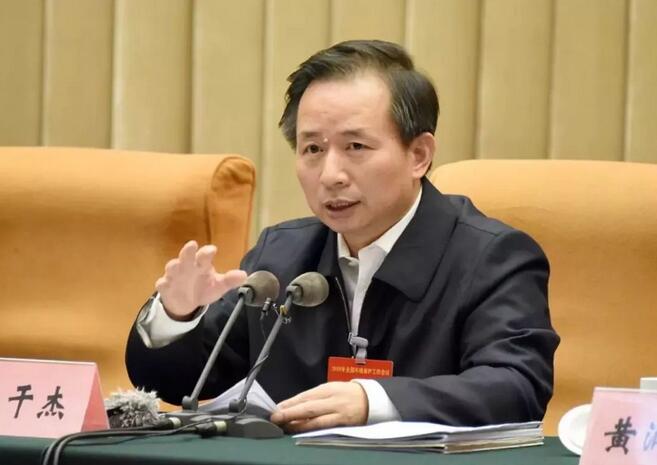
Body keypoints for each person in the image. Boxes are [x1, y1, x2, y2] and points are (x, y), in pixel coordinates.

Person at [126, 40, 559, 433]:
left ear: (419, 155)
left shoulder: (492, 257)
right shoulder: (281, 256)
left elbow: (517, 385)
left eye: (356, 147)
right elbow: (178, 384)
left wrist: (375, 401)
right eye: (313, 149)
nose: (331, 175)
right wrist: (176, 317)